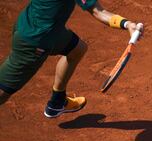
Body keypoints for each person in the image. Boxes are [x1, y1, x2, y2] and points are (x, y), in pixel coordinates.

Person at [0, 0, 144, 118]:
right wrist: (127, 24)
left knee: (77, 49)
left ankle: (57, 102)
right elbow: (98, 12)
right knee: (3, 90)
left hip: (31, 25)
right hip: (35, 42)